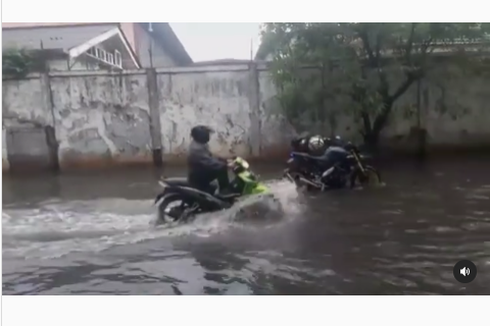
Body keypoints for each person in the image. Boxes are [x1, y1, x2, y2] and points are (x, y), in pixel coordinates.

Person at [187, 125, 233, 195]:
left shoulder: (200, 144)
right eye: (207, 134)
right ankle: (225, 193)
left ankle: (224, 190)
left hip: (200, 169)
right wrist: (227, 165)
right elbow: (209, 162)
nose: (208, 136)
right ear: (201, 135)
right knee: (221, 168)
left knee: (221, 165)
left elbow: (209, 157)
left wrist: (225, 161)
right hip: (199, 175)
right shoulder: (197, 148)